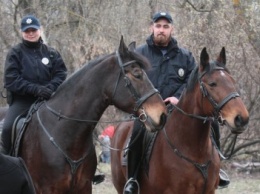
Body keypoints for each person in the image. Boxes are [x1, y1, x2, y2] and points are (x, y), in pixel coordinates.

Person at [123, 12, 229, 194]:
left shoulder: (185, 56)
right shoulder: (140, 54)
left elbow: (193, 82)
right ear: (151, 28)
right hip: (150, 110)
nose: (161, 30)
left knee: (210, 123)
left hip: (178, 108)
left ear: (171, 29)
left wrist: (177, 98)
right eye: (158, 26)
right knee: (138, 131)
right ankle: (132, 179)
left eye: (165, 27)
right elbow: (134, 81)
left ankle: (218, 166)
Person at [1, 15, 67, 155]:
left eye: (33, 30)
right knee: (7, 128)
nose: (31, 33)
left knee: (74, 120)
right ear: (22, 32)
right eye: (27, 31)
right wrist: (35, 89)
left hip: (49, 99)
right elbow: (11, 79)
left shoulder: (51, 53)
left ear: (40, 30)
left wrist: (50, 88)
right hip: (23, 101)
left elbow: (61, 73)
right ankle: (5, 161)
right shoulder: (15, 53)